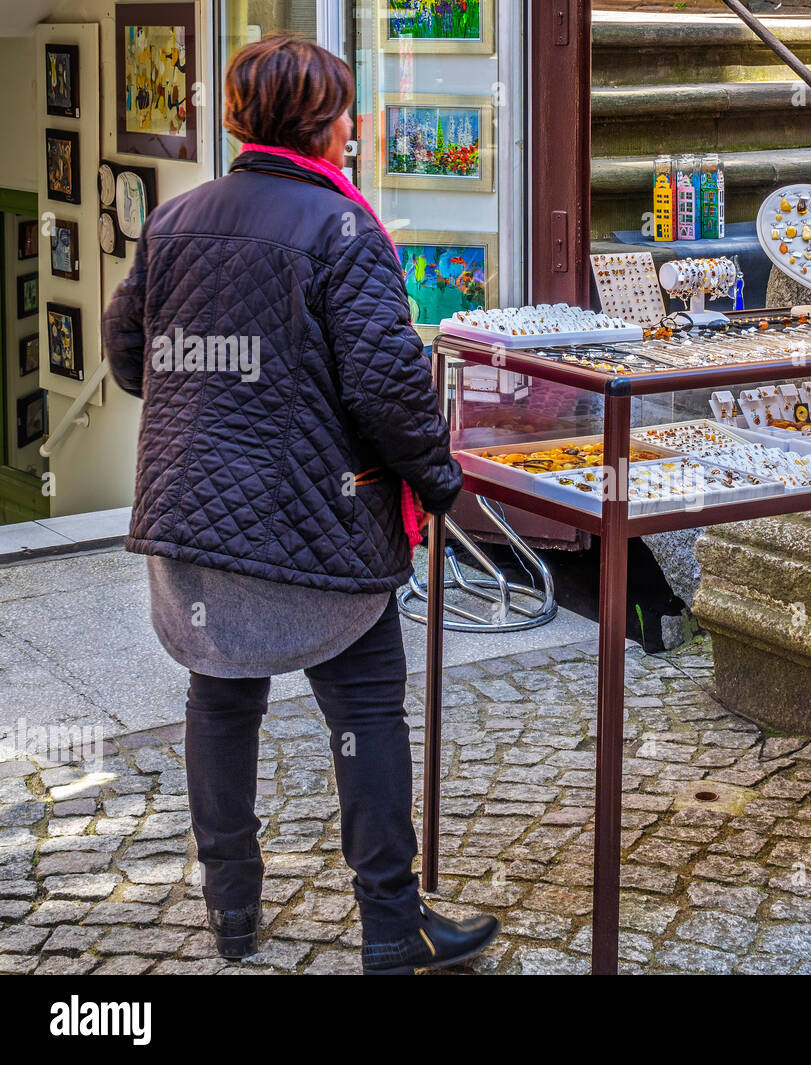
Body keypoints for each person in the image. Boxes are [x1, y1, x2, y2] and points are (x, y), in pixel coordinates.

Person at [102, 34, 498, 975]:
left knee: (221, 702)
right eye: (346, 111)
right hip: (318, 529)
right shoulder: (341, 229)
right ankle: (393, 931)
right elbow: (389, 388)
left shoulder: (176, 219)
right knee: (365, 711)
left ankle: (231, 912)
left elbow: (129, 358)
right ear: (323, 124)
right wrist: (444, 486)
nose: (355, 126)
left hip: (195, 524)